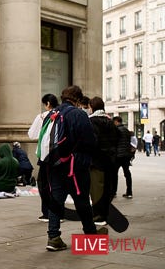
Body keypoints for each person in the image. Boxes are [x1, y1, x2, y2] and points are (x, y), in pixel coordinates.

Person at [42, 85, 107, 251]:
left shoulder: (51, 114)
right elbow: (90, 141)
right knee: (82, 200)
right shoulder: (78, 114)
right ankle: (90, 234)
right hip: (75, 165)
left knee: (56, 200)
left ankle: (53, 237)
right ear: (77, 99)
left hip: (54, 164)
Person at [87, 96, 119, 226]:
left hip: (96, 160)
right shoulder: (110, 121)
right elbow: (116, 139)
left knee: (96, 189)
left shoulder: (91, 121)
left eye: (89, 107)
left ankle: (98, 216)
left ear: (92, 107)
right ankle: (105, 213)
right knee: (107, 188)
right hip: (109, 160)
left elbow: (91, 141)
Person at [28, 93, 59, 222]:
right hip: (61, 155)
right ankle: (59, 212)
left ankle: (47, 213)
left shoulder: (42, 116)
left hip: (46, 156)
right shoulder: (64, 114)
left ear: (47, 104)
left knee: (44, 184)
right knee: (57, 185)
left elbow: (31, 135)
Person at [112, 116, 133, 199]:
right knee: (127, 173)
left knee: (114, 174)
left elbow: (114, 142)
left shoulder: (116, 130)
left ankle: (113, 192)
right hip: (126, 155)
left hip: (118, 155)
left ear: (117, 122)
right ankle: (129, 192)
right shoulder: (127, 130)